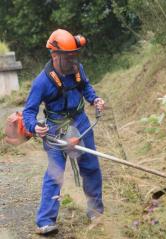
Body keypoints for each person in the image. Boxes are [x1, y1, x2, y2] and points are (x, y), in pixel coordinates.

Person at [23, 29, 105, 235]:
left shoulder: (78, 69)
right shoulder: (41, 82)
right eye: (68, 57)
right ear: (54, 55)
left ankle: (96, 212)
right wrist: (35, 127)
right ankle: (45, 221)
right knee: (55, 174)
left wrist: (94, 99)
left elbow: (85, 87)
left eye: (75, 56)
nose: (72, 61)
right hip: (55, 129)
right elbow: (29, 112)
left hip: (81, 122)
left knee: (91, 167)